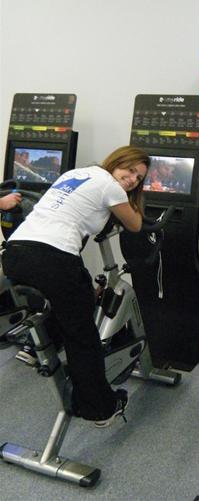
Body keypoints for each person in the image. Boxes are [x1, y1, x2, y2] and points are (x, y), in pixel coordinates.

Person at [2, 145, 150, 427]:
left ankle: (36, 346)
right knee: (83, 335)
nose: (132, 180)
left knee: (74, 300)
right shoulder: (111, 187)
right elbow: (134, 225)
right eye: (130, 170)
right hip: (52, 259)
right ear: (115, 162)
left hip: (15, 253)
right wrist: (134, 203)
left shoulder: (76, 173)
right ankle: (100, 409)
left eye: (139, 178)